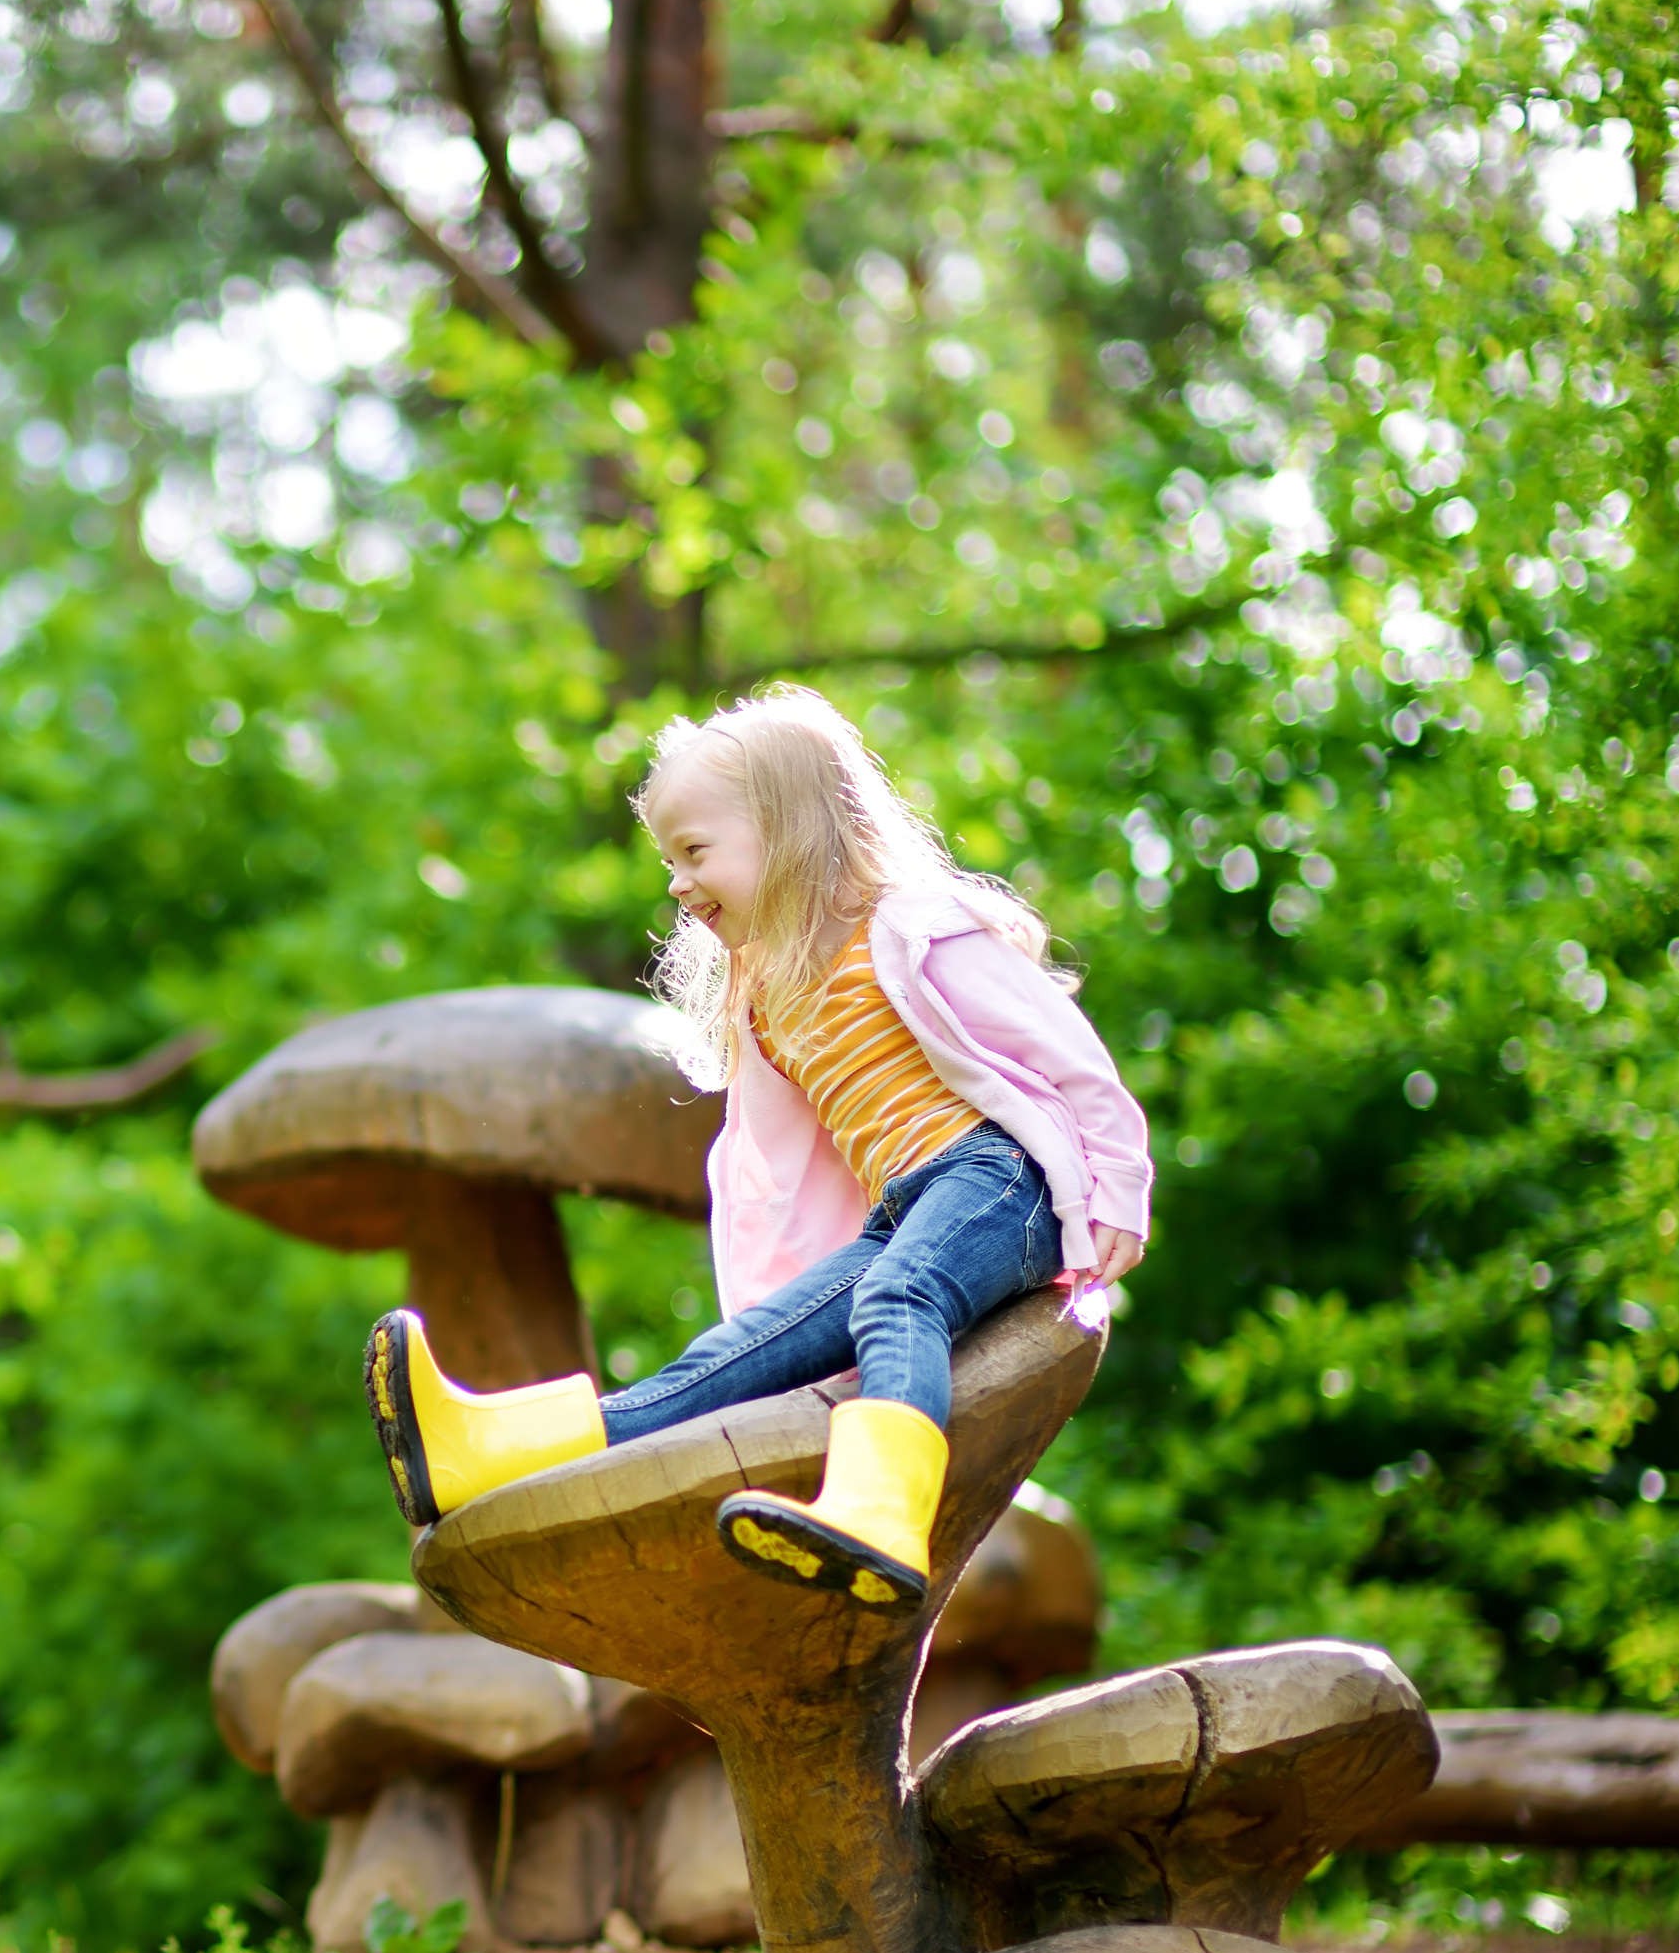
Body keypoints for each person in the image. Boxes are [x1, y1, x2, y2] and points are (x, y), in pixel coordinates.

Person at [365, 685, 1153, 1608]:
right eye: (669, 859)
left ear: (785, 829)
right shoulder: (769, 1003)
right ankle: (482, 1454)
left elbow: (1074, 1065)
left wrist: (1114, 1198)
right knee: (735, 1359)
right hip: (904, 1207)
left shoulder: (910, 928)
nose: (675, 882)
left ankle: (882, 1514)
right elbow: (768, 1180)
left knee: (903, 1293)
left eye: (694, 852)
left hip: (999, 1177)